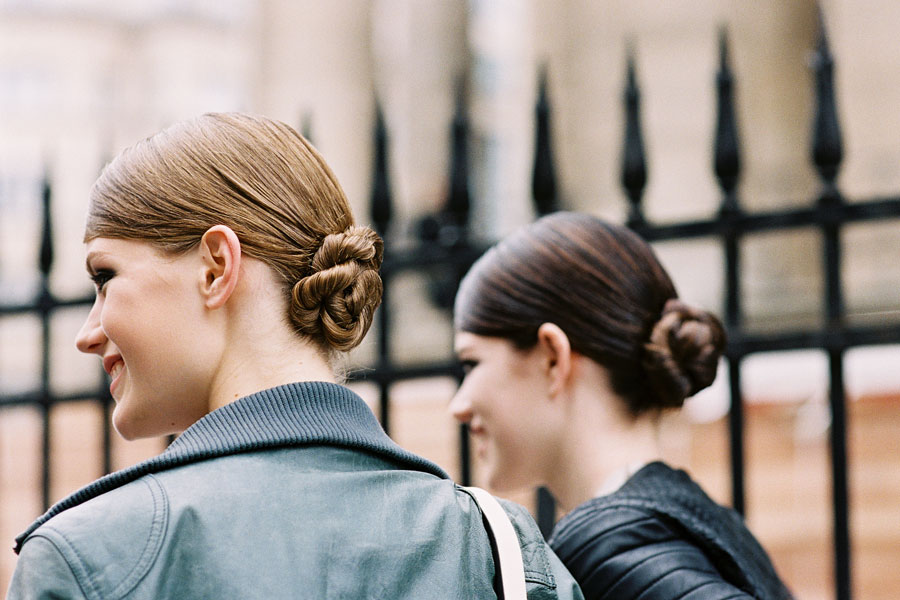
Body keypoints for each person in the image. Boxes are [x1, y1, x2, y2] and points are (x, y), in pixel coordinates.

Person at [7, 113, 583, 600]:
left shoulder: (91, 557)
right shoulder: (499, 550)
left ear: (215, 268)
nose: (88, 332)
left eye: (105, 278)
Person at [450, 211, 794, 600]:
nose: (459, 405)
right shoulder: (700, 520)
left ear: (552, 357)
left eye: (472, 363)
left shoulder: (612, 551)